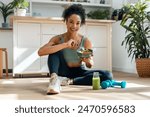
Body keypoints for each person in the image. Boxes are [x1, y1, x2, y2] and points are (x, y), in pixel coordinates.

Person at [38, 4, 113, 95]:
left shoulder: (85, 41)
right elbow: (41, 52)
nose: (74, 26)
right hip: (62, 71)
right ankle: (54, 80)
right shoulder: (58, 39)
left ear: (81, 24)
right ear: (66, 21)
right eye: (71, 22)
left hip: (79, 72)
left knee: (108, 75)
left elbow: (90, 64)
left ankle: (70, 81)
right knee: (53, 50)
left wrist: (87, 60)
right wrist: (65, 45)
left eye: (78, 23)